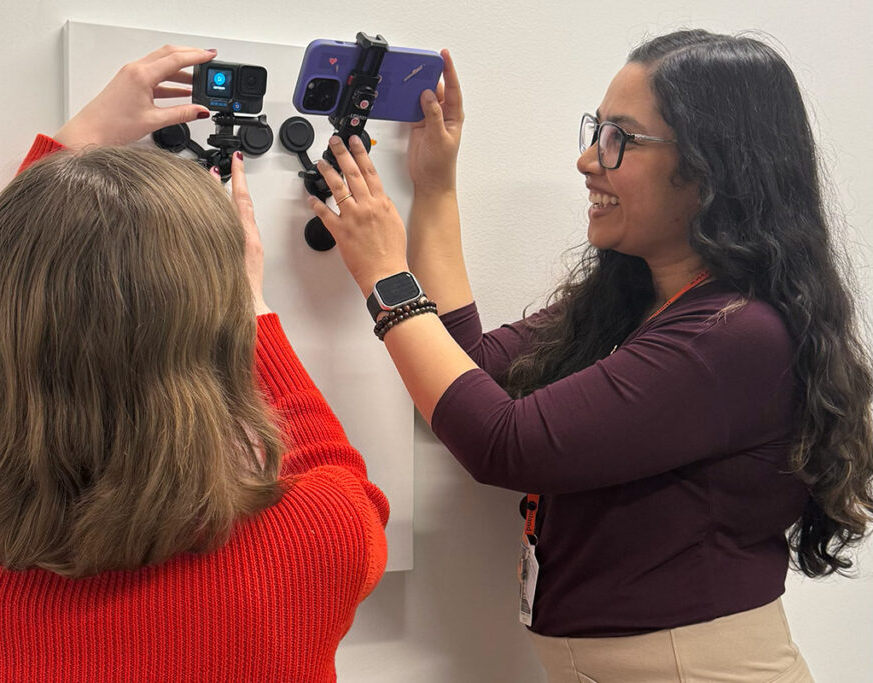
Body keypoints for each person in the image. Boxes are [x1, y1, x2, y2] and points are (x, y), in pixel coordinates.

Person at [307, 30, 873, 681]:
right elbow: (469, 367)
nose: (586, 160)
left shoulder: (737, 333)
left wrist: (386, 280)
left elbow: (503, 443)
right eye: (596, 130)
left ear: (712, 168)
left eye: (619, 139)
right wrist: (434, 189)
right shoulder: (637, 300)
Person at [0, 45, 388, 683]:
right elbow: (335, 472)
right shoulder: (312, 544)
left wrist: (69, 156)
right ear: (214, 348)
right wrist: (253, 312)